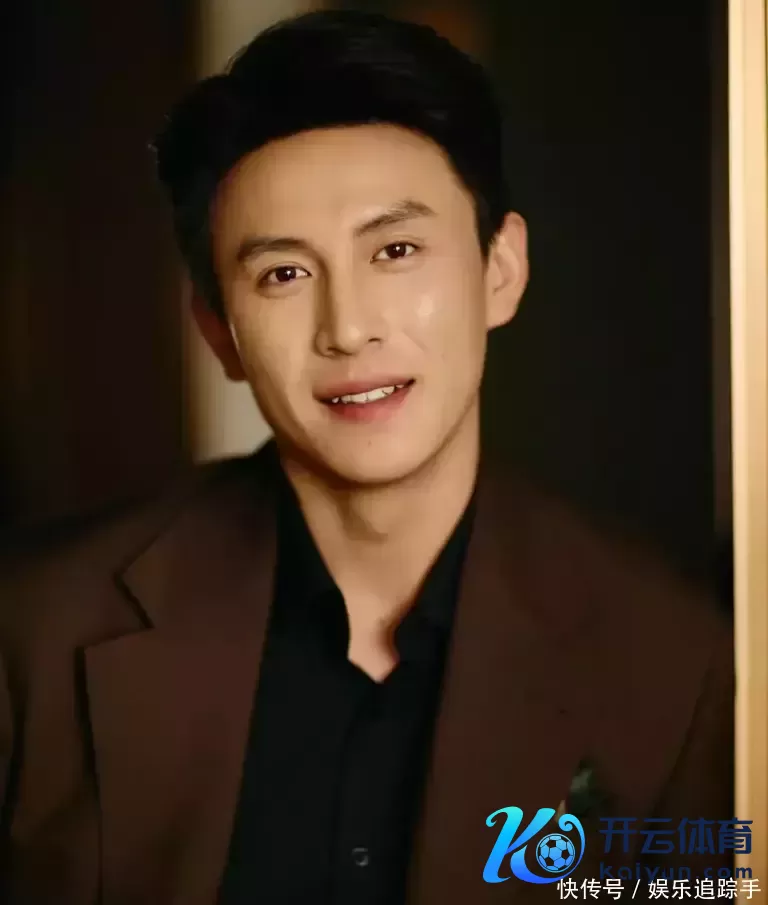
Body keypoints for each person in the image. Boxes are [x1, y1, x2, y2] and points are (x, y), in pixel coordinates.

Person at [0, 10, 734, 904]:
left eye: (396, 249)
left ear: (500, 270)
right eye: (284, 273)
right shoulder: (34, 631)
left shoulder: (678, 658)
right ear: (218, 332)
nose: (347, 328)